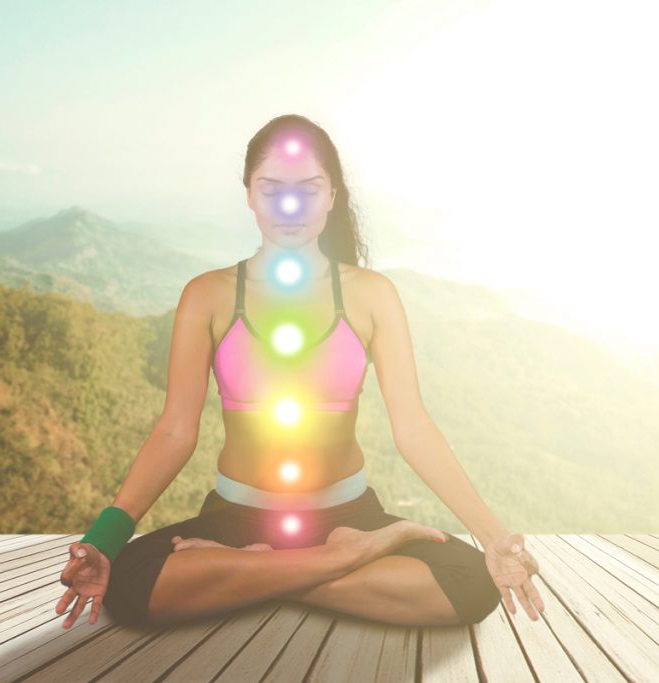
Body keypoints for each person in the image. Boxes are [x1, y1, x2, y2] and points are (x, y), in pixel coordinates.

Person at [55, 114, 545, 630]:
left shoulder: (372, 294)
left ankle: (255, 574)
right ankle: (341, 560)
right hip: (235, 519)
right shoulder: (207, 294)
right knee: (129, 580)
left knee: (469, 583)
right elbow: (176, 430)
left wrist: (493, 539)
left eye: (309, 189)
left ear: (333, 195)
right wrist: (104, 540)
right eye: (271, 189)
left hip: (349, 516)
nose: (290, 207)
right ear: (248, 194)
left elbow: (414, 427)